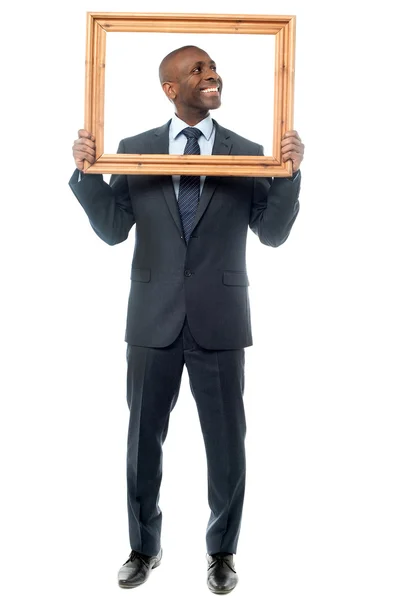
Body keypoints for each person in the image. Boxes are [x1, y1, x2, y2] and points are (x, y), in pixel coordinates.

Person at [70, 45, 304, 595]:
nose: (212, 74)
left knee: (227, 445)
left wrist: (290, 173)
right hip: (151, 321)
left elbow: (271, 233)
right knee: (141, 442)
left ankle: (222, 554)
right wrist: (86, 175)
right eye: (197, 69)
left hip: (221, 322)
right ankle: (143, 548)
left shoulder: (246, 153)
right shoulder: (134, 151)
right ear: (170, 89)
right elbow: (112, 229)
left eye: (213, 66)